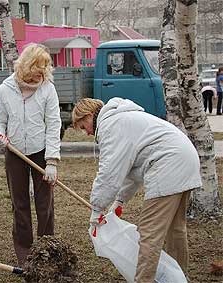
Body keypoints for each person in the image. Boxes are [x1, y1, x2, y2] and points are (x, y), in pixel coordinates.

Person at [72, 97, 202, 282]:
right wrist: (119, 201)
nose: (87, 133)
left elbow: (109, 173)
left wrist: (97, 209)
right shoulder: (123, 118)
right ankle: (179, 277)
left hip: (168, 164)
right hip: (185, 159)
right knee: (175, 229)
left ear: (89, 115)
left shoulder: (111, 125)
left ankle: (145, 280)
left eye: (84, 126)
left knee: (149, 234)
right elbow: (130, 168)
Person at [0, 43, 61, 266]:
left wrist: (52, 161)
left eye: (42, 74)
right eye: (34, 74)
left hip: (41, 152)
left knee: (44, 204)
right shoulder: (5, 89)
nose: (37, 78)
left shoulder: (48, 89)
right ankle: (25, 253)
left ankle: (47, 248)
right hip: (15, 152)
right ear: (25, 68)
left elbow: (53, 124)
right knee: (19, 203)